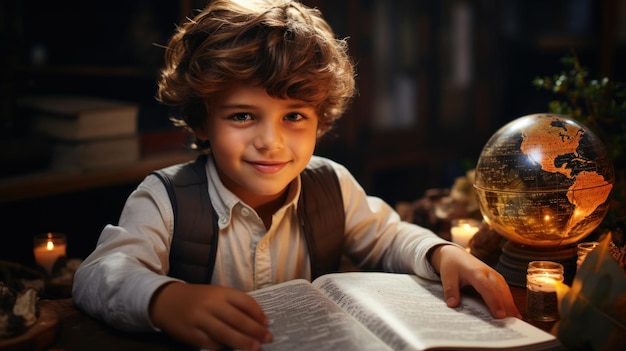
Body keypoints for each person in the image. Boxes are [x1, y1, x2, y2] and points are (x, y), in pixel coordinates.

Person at [72, 1, 521, 350]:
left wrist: (443, 255)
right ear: (201, 122)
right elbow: (99, 274)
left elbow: (388, 237)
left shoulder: (331, 185)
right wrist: (163, 299)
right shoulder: (164, 199)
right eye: (244, 115)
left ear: (320, 120)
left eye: (294, 117)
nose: (271, 142)